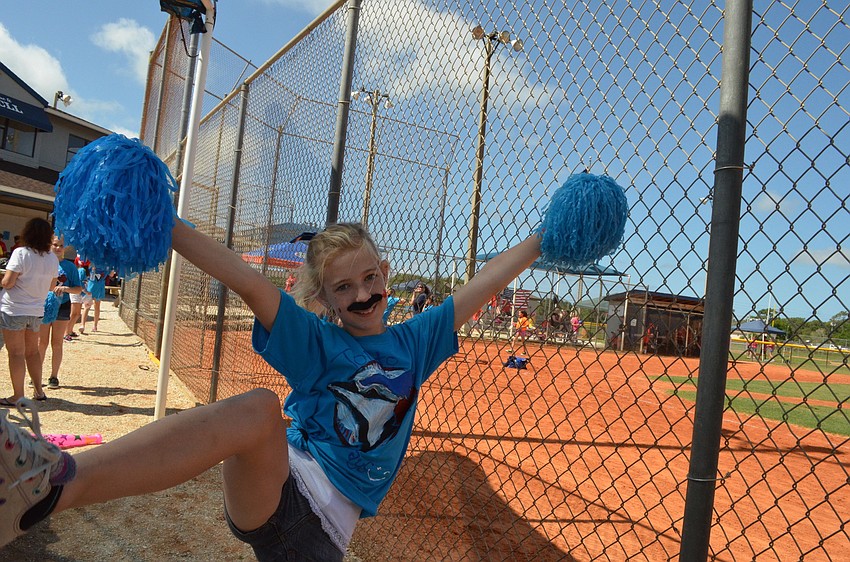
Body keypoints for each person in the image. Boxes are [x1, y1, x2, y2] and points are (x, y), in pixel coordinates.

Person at [0, 219, 543, 558]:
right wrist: (167, 224)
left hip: (323, 541)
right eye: (343, 287)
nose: (361, 294)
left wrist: (542, 239)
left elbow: (484, 283)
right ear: (326, 301)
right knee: (261, 408)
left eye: (369, 278)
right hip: (282, 494)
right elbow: (247, 280)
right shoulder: (319, 344)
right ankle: (54, 482)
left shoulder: (417, 342)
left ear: (385, 272)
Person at [0, 218, 59, 405]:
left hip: (14, 309)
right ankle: (39, 391)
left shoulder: (21, 253)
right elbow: (51, 286)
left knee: (16, 353)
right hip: (36, 310)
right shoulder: (52, 258)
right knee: (32, 352)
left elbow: (8, 283)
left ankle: (18, 395)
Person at [38, 236, 83, 390]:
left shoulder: (69, 267)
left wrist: (65, 289)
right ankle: (36, 374)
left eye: (61, 245)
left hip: (62, 306)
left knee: (56, 343)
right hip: (43, 306)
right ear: (49, 245)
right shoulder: (42, 263)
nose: (58, 248)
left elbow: (78, 288)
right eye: (55, 245)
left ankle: (54, 376)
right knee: (41, 343)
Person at [80, 265, 106, 333]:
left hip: (100, 288)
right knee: (87, 306)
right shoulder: (91, 265)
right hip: (90, 288)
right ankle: (82, 325)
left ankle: (95, 326)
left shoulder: (105, 266)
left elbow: (111, 274)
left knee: (97, 306)